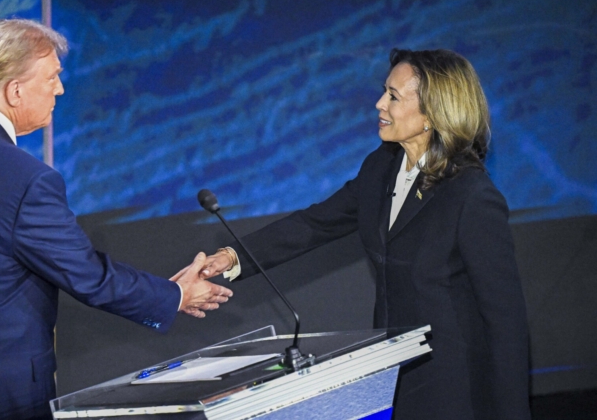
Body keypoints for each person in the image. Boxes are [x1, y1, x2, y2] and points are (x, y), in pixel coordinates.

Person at [0, 18, 233, 420]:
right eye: (53, 76)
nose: (60, 88)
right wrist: (174, 296)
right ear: (14, 91)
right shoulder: (25, 179)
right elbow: (89, 276)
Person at [199, 49, 530, 419]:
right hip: (394, 375)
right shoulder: (381, 166)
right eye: (383, 91)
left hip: (454, 386)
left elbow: (506, 322)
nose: (378, 104)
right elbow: (316, 223)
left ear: (433, 113)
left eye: (393, 96)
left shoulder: (471, 195)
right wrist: (233, 257)